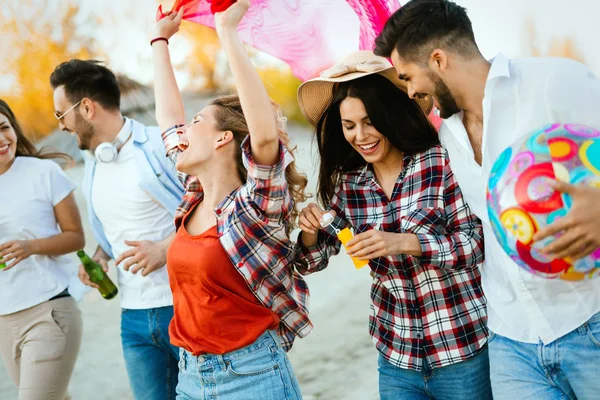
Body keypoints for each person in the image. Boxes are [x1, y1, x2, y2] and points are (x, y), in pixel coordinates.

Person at [374, 0, 600, 398]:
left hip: (589, 320)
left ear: (438, 60)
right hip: (510, 340)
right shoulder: (446, 138)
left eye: (409, 77)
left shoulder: (552, 81)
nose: (411, 92)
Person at [294, 51, 491, 400]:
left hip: (462, 351)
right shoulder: (350, 185)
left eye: (370, 121)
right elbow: (312, 260)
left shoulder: (439, 161)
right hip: (397, 356)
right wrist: (310, 227)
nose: (361, 135)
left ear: (390, 115)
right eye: (349, 125)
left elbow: (475, 245)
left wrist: (404, 242)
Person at [151, 2, 309, 399]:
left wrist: (227, 31)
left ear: (223, 139)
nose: (182, 130)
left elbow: (266, 138)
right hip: (190, 377)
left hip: (251, 377)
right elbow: (168, 119)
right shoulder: (193, 194)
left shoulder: (254, 208)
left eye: (196, 122)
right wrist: (159, 40)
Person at [50, 60, 185, 400]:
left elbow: (211, 208)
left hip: (185, 306)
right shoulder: (95, 163)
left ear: (86, 108)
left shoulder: (159, 145)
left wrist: (164, 248)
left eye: (60, 114)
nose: (62, 126)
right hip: (134, 319)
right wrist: (100, 254)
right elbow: (118, 227)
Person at [0, 99, 84, 400]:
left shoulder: (42, 173)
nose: (1, 139)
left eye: (4, 128)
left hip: (48, 311)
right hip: (4, 321)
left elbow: (75, 237)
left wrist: (29, 247)